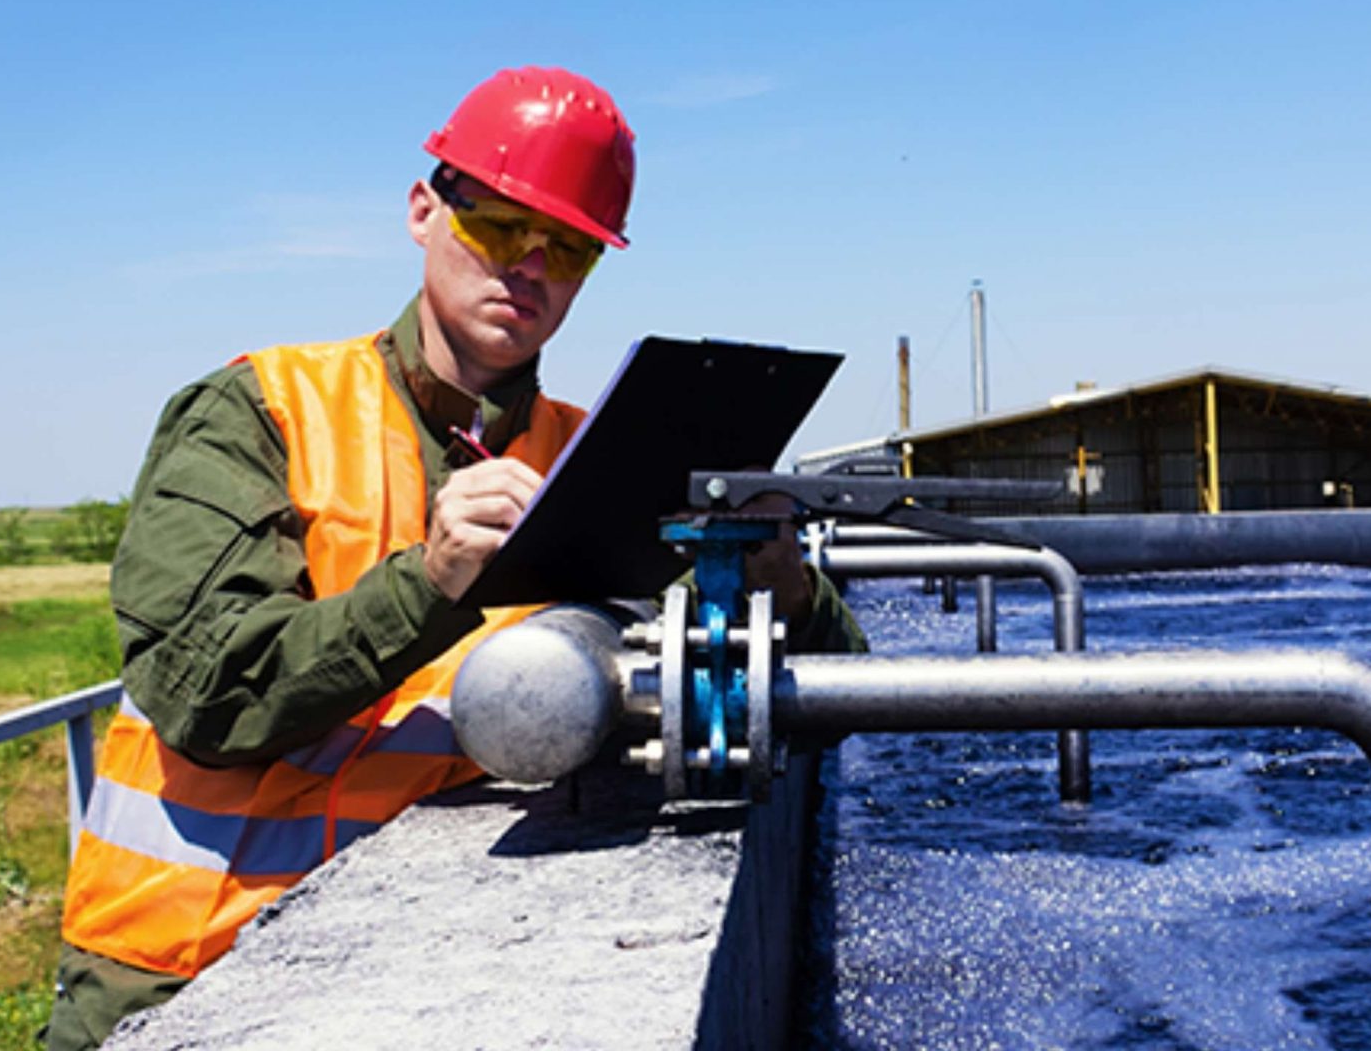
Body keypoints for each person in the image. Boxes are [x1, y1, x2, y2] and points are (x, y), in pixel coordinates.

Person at [43, 67, 859, 1050]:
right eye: (499, 227)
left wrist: (783, 584)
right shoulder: (259, 409)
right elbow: (200, 691)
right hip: (187, 972)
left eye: (568, 248)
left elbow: (829, 704)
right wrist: (427, 581)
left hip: (428, 971)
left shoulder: (590, 461)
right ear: (424, 208)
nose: (527, 266)